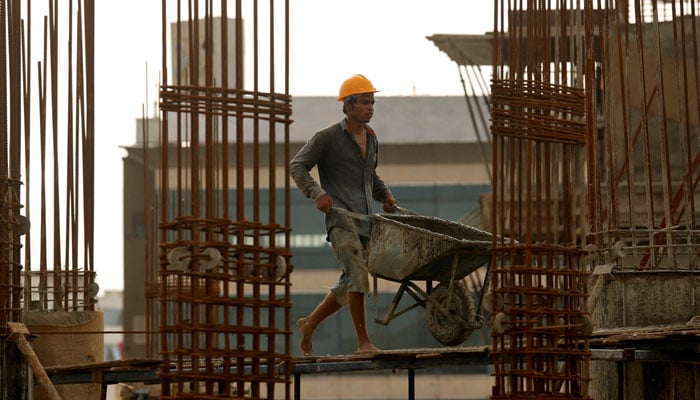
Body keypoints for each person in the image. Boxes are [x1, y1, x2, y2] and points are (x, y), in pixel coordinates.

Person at [290, 74, 398, 356]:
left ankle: (309, 323)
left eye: (372, 102)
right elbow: (297, 166)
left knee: (348, 281)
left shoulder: (372, 139)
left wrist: (385, 196)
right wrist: (317, 194)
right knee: (358, 276)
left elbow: (370, 177)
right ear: (348, 106)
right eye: (364, 102)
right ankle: (363, 343)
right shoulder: (327, 137)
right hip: (340, 220)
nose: (370, 107)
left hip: (365, 221)